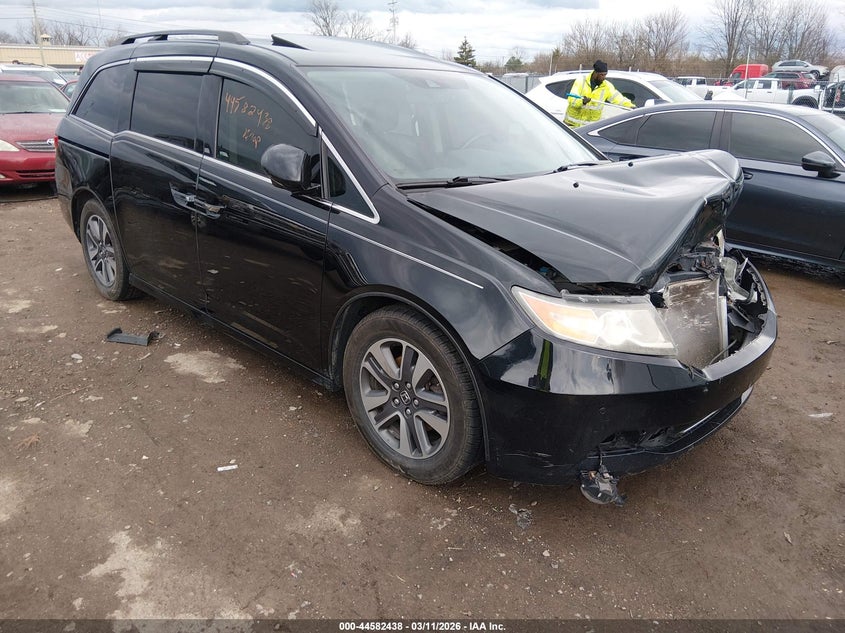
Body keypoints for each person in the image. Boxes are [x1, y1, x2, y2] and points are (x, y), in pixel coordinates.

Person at [564, 60, 634, 128]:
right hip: (571, 126)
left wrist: (631, 106)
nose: (603, 77)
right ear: (595, 73)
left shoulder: (606, 86)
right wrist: (582, 101)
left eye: (605, 75)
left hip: (588, 129)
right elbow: (572, 100)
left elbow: (618, 98)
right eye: (601, 75)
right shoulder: (581, 81)